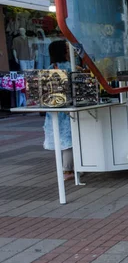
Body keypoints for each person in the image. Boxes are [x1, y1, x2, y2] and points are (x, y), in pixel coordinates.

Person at [43, 40, 74, 181]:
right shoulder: (71, 68)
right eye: (67, 49)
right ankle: (68, 170)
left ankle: (67, 169)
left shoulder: (49, 68)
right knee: (70, 140)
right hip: (68, 109)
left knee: (62, 139)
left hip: (54, 110)